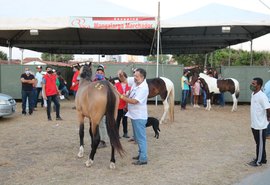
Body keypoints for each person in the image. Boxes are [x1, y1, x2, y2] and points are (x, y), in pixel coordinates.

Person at [118, 68, 149, 165]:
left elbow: (135, 101)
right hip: (134, 115)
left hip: (139, 116)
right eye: (134, 75)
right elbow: (124, 80)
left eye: (136, 76)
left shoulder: (144, 88)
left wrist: (122, 97)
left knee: (141, 138)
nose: (134, 78)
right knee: (138, 138)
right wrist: (121, 74)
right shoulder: (136, 82)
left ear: (142, 77)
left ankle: (143, 158)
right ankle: (141, 154)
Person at [248, 77, 270, 167]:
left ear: (259, 85)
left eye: (254, 84)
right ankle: (263, 158)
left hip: (260, 125)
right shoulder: (253, 94)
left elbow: (268, 108)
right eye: (252, 83)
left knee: (260, 144)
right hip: (254, 124)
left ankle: (258, 161)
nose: (252, 85)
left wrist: (268, 118)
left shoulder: (262, 96)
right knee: (259, 143)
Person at [93, 64, 109, 148]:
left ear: (103, 73)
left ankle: (103, 141)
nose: (99, 73)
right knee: (96, 123)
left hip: (102, 106)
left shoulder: (106, 82)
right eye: (98, 72)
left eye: (101, 72)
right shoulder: (94, 81)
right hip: (94, 106)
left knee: (102, 123)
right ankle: (98, 139)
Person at [115, 71, 131, 138]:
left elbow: (128, 94)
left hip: (125, 105)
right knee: (117, 120)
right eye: (120, 76)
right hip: (118, 105)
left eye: (123, 76)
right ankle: (116, 133)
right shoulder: (117, 84)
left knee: (125, 120)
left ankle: (125, 133)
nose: (121, 77)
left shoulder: (128, 84)